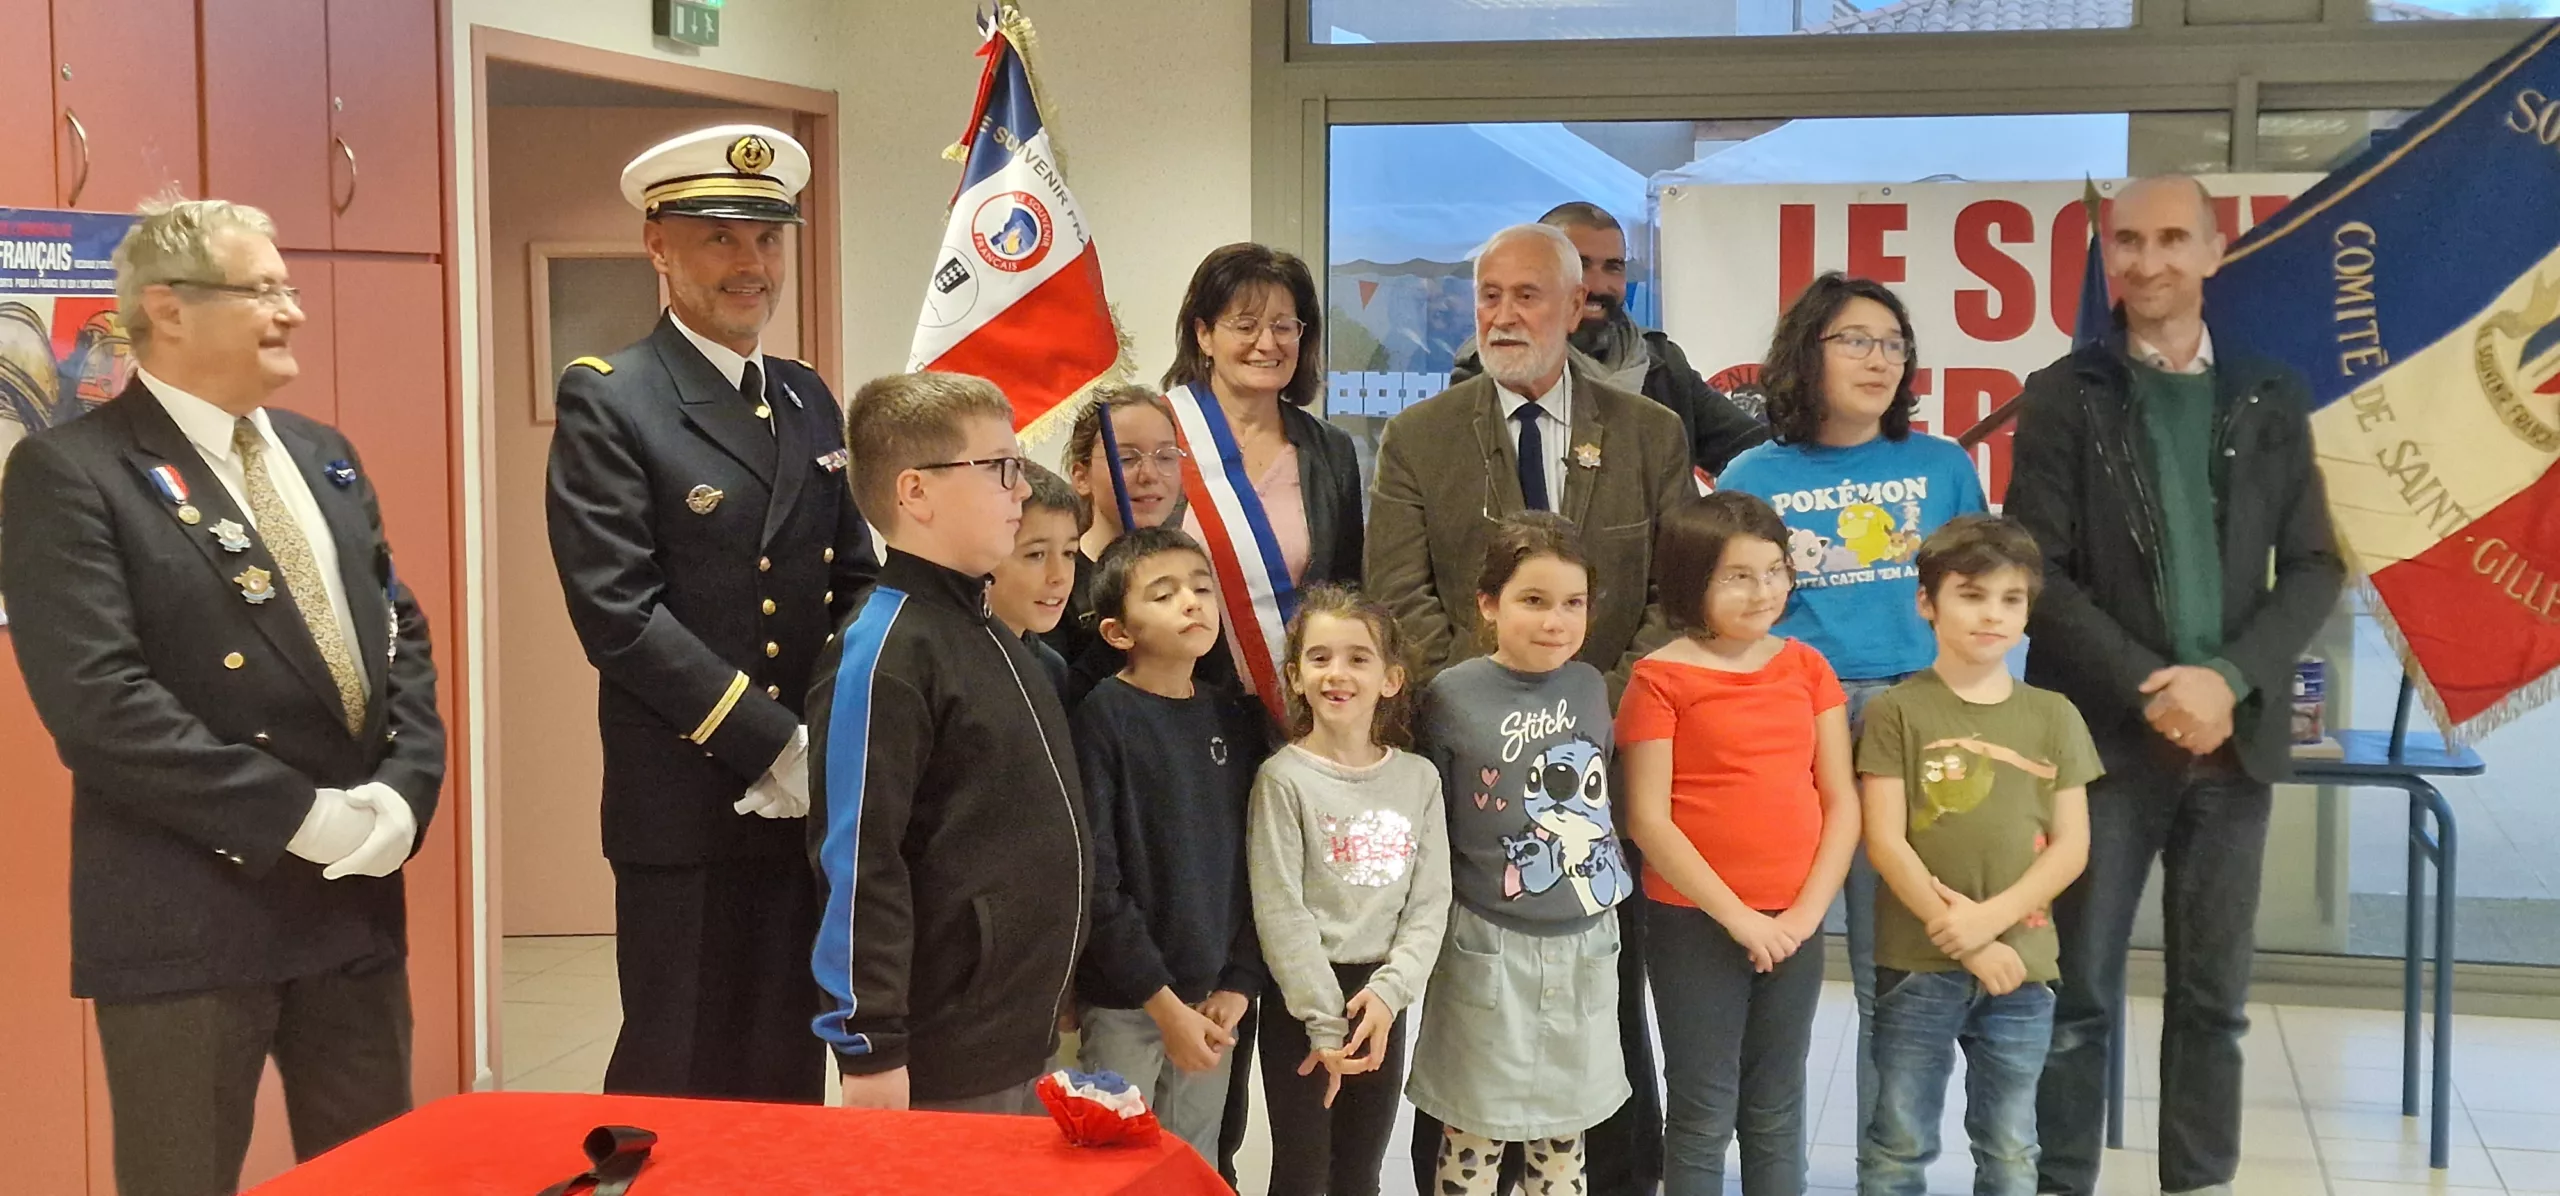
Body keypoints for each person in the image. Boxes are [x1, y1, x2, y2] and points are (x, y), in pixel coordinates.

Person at [0, 197, 445, 1195]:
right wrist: (303, 818)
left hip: (353, 897)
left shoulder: (321, 450)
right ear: (168, 307)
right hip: (189, 914)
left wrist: (403, 796)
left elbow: (394, 633)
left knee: (379, 1176)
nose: (291, 311)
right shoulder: (70, 471)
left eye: (289, 289)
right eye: (265, 291)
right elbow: (101, 706)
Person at [2009, 174, 2344, 1196]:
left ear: (2210, 250)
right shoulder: (2065, 393)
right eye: (2125, 240)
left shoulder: (2270, 392)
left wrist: (2228, 678)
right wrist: (2158, 684)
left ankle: (2195, 1181)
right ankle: (2058, 1181)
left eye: (2167, 238)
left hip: (2234, 745)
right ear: (2106, 253)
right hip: (2103, 744)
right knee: (2076, 999)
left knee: (2215, 1001)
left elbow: (2318, 564)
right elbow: (2036, 566)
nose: (2144, 260)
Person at [544, 124, 873, 1102]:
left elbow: (850, 577)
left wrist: (833, 732)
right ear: (659, 245)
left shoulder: (808, 398)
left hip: (803, 798)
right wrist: (771, 741)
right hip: (686, 800)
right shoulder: (615, 398)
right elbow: (617, 610)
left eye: (768, 240)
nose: (751, 264)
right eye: (721, 237)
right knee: (675, 1068)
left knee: (781, 1067)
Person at [1369, 221, 1686, 1195]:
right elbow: (1401, 598)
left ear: (1577, 304)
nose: (1504, 315)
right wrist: (1498, 702)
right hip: (1469, 768)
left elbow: (1671, 597)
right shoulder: (1419, 436)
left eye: (1527, 295)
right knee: (1471, 997)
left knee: (1601, 989)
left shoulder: (1650, 433)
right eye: (1488, 296)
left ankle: (1615, 1176)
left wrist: (1586, 709)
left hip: (1606, 762)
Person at [1715, 271, 1988, 1163]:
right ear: (1808, 353)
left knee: (1897, 978)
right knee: (1778, 967)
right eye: (1857, 340)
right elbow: (1730, 617)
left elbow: (1980, 606)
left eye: (1894, 343)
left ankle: (1888, 1175)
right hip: (1794, 731)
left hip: (1915, 726)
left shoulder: (1943, 465)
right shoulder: (1756, 473)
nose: (1881, 360)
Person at [806, 370, 1089, 1114]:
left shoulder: (990, 630)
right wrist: (870, 1050)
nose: (1020, 491)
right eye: (999, 469)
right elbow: (859, 861)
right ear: (915, 493)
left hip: (1018, 1033)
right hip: (946, 1049)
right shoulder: (885, 650)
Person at [1620, 492, 1861, 1196]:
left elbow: (1840, 799)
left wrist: (1803, 917)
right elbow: (1649, 819)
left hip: (1796, 922)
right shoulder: (1660, 678)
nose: (1763, 591)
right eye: (1738, 576)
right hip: (1695, 922)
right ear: (1693, 581)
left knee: (1777, 1104)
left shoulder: (1807, 667)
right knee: (1701, 1108)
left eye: (1774, 570)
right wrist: (1739, 918)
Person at [1856, 515, 2097, 1196]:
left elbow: (2072, 845)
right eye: (1971, 595)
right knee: (1899, 1142)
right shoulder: (1897, 711)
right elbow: (1884, 839)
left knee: (2012, 1146)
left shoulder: (2054, 716)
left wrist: (1987, 925)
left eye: (2011, 599)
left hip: (2024, 965)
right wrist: (1961, 940)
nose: (1993, 614)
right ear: (1927, 603)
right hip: (1916, 965)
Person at [1406, 513, 1635, 1196]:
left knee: (1564, 1139)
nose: (1555, 622)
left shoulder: (1591, 687)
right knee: (1473, 1135)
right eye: (1532, 601)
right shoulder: (1450, 695)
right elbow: (1433, 819)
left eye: (1573, 604)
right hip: (1487, 943)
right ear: (1488, 603)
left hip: (1586, 941)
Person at [1071, 526, 1272, 1163]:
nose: (1191, 603)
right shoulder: (1104, 717)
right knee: (1113, 1167)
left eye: (1200, 588)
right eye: (1164, 594)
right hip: (1132, 1000)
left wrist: (1239, 982)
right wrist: (1161, 1003)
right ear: (1118, 633)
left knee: (1193, 1162)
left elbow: (1258, 865)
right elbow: (1097, 876)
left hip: (1214, 1002)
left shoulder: (1231, 718)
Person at [1249, 584, 1451, 1196]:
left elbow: (1429, 903)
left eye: (1358, 657)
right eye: (1320, 657)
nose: (1338, 673)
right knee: (1304, 1175)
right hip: (1305, 1005)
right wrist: (1323, 1022)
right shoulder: (1282, 779)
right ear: (1296, 675)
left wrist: (1390, 995)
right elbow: (1280, 909)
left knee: (1360, 1173)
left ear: (1390, 678)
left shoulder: (1418, 779)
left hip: (1381, 1001)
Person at [1160, 243, 1366, 715]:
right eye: (1246, 325)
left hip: (1298, 711)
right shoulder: (1157, 435)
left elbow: (1347, 588)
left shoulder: (1330, 451)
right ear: (1204, 334)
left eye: (1283, 326)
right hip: (1179, 706)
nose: (1268, 343)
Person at [1450, 201, 1768, 476]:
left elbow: (1753, 451)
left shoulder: (1660, 362)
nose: (1598, 285)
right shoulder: (1493, 367)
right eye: (1580, 265)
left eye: (1613, 267)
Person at [1046, 384, 1190, 702]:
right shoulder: (1058, 582)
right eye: (1126, 458)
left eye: (1166, 456)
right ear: (1081, 476)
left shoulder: (1193, 579)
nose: (1150, 474)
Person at [990, 461, 1082, 700]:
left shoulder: (1051, 667)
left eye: (1069, 553)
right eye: (1035, 555)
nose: (1059, 575)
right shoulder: (948, 666)